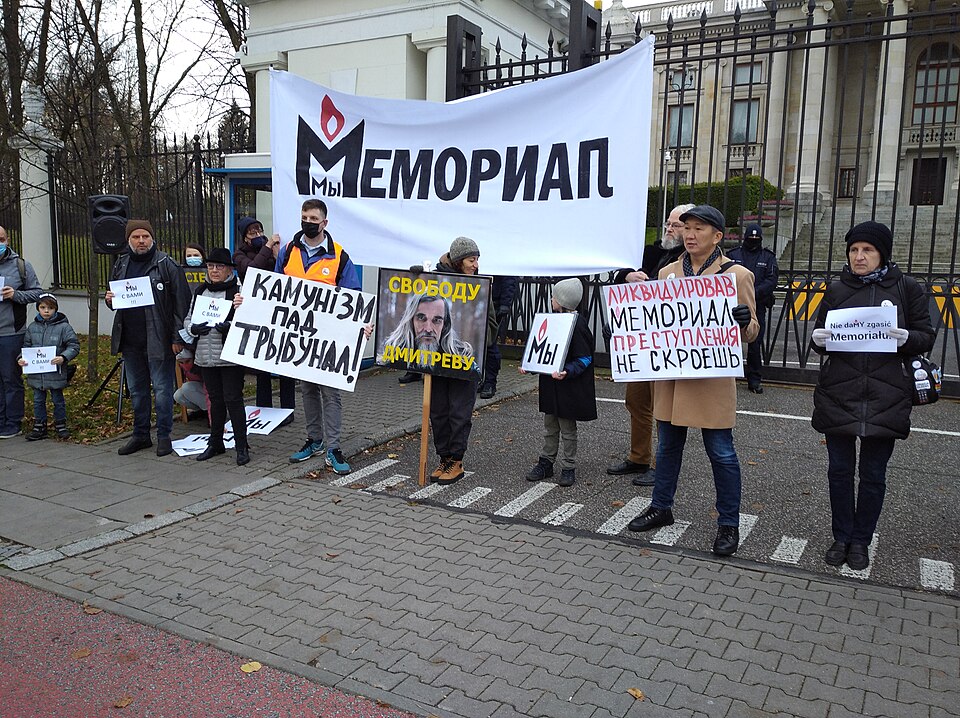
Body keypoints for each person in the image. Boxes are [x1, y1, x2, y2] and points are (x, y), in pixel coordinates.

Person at [626, 205, 759, 557]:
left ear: (717, 236)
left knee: (722, 453)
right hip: (672, 378)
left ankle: (729, 523)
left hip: (710, 382)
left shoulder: (737, 275)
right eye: (687, 227)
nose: (690, 233)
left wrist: (743, 321)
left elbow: (752, 332)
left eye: (699, 228)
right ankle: (661, 506)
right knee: (668, 447)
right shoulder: (668, 272)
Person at [810, 221, 934, 571]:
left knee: (873, 474)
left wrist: (905, 337)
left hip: (886, 394)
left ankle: (861, 540)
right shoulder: (836, 290)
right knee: (839, 471)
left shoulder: (907, 288)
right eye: (853, 250)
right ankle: (841, 536)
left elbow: (926, 336)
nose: (859, 257)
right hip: (840, 393)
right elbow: (820, 339)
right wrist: (818, 340)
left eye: (867, 250)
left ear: (882, 254)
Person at [277, 199, 368, 473]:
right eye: (304, 216)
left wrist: (360, 326)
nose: (308, 221)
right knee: (307, 390)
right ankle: (314, 440)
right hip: (300, 337)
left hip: (328, 339)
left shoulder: (339, 256)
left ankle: (334, 447)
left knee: (330, 393)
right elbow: (273, 289)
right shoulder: (287, 251)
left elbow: (352, 297)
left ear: (324, 223)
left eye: (313, 218)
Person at [607, 203, 694, 485]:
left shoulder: (691, 260)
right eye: (668, 224)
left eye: (676, 225)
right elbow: (621, 272)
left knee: (663, 408)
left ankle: (662, 465)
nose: (669, 229)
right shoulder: (652, 252)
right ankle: (638, 457)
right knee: (636, 401)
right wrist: (628, 276)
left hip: (667, 345)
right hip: (640, 343)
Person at [414, 237, 496, 484]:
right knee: (438, 411)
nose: (476, 264)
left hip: (463, 364)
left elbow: (490, 327)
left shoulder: (479, 286)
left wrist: (478, 340)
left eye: (477, 259)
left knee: (459, 413)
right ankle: (444, 458)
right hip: (437, 364)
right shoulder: (434, 280)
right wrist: (414, 280)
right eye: (472, 259)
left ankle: (456, 461)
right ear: (459, 261)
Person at [105, 220, 191, 457]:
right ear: (128, 240)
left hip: (159, 340)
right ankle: (141, 435)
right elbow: (114, 299)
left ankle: (164, 436)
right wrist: (109, 299)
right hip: (130, 340)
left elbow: (180, 305)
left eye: (145, 236)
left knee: (162, 390)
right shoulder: (121, 263)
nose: (141, 241)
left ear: (152, 238)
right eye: (136, 237)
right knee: (137, 390)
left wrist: (177, 337)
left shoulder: (166, 265)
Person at [523, 278, 596, 487]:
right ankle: (546, 462)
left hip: (567, 387)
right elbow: (542, 348)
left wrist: (568, 371)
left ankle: (568, 466)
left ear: (562, 301)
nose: (551, 300)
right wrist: (530, 365)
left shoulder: (578, 324)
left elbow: (585, 357)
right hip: (551, 385)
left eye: (554, 297)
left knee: (567, 428)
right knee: (550, 426)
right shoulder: (554, 320)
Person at [184, 248, 249, 466]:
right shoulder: (200, 291)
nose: (214, 271)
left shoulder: (238, 291)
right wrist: (194, 328)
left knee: (234, 400)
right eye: (211, 266)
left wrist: (230, 326)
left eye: (219, 267)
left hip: (229, 357)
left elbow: (248, 320)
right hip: (206, 356)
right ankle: (216, 443)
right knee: (215, 400)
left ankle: (242, 446)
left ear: (229, 269)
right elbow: (188, 319)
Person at [233, 216, 295, 418]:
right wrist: (267, 247)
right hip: (257, 314)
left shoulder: (273, 252)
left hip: (278, 312)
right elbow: (252, 271)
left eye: (260, 230)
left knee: (284, 361)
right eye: (252, 233)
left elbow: (288, 275)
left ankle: (287, 409)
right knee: (262, 366)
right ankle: (264, 409)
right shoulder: (239, 255)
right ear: (245, 238)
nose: (258, 235)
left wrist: (278, 255)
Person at [0, 226, 44, 439]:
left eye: (1, 239)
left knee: (11, 379)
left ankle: (13, 422)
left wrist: (15, 295)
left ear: (7, 240)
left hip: (11, 332)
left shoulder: (21, 266)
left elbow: (38, 293)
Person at [18, 293, 80, 440]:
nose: (46, 311)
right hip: (36, 374)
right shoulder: (32, 328)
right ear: (38, 308)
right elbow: (26, 346)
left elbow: (74, 345)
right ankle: (40, 425)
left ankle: (60, 424)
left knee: (58, 399)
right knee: (38, 400)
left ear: (56, 309)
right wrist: (22, 358)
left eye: (50, 308)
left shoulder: (64, 327)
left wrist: (63, 357)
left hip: (55, 372)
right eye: (43, 307)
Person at [728, 223, 779, 394]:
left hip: (757, 305)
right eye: (751, 238)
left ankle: (754, 379)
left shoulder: (768, 257)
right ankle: (725, 376)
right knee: (727, 341)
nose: (754, 241)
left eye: (757, 239)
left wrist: (752, 293)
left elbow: (771, 280)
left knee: (755, 344)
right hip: (732, 305)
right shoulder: (733, 255)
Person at [378, 293, 476, 370]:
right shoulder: (394, 355)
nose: (428, 329)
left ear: (445, 325)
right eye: (421, 318)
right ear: (410, 321)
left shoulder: (461, 363)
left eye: (437, 320)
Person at [478, 274, 518, 399]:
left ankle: (490, 383)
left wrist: (505, 303)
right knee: (479, 345)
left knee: (490, 345)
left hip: (494, 303)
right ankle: (482, 380)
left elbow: (509, 277)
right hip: (479, 300)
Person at [174, 349, 208, 420]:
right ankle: (201, 411)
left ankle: (209, 411)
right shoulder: (181, 369)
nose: (185, 365)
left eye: (187, 361)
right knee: (178, 396)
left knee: (187, 388)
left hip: (210, 390)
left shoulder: (199, 365)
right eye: (181, 362)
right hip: (199, 389)